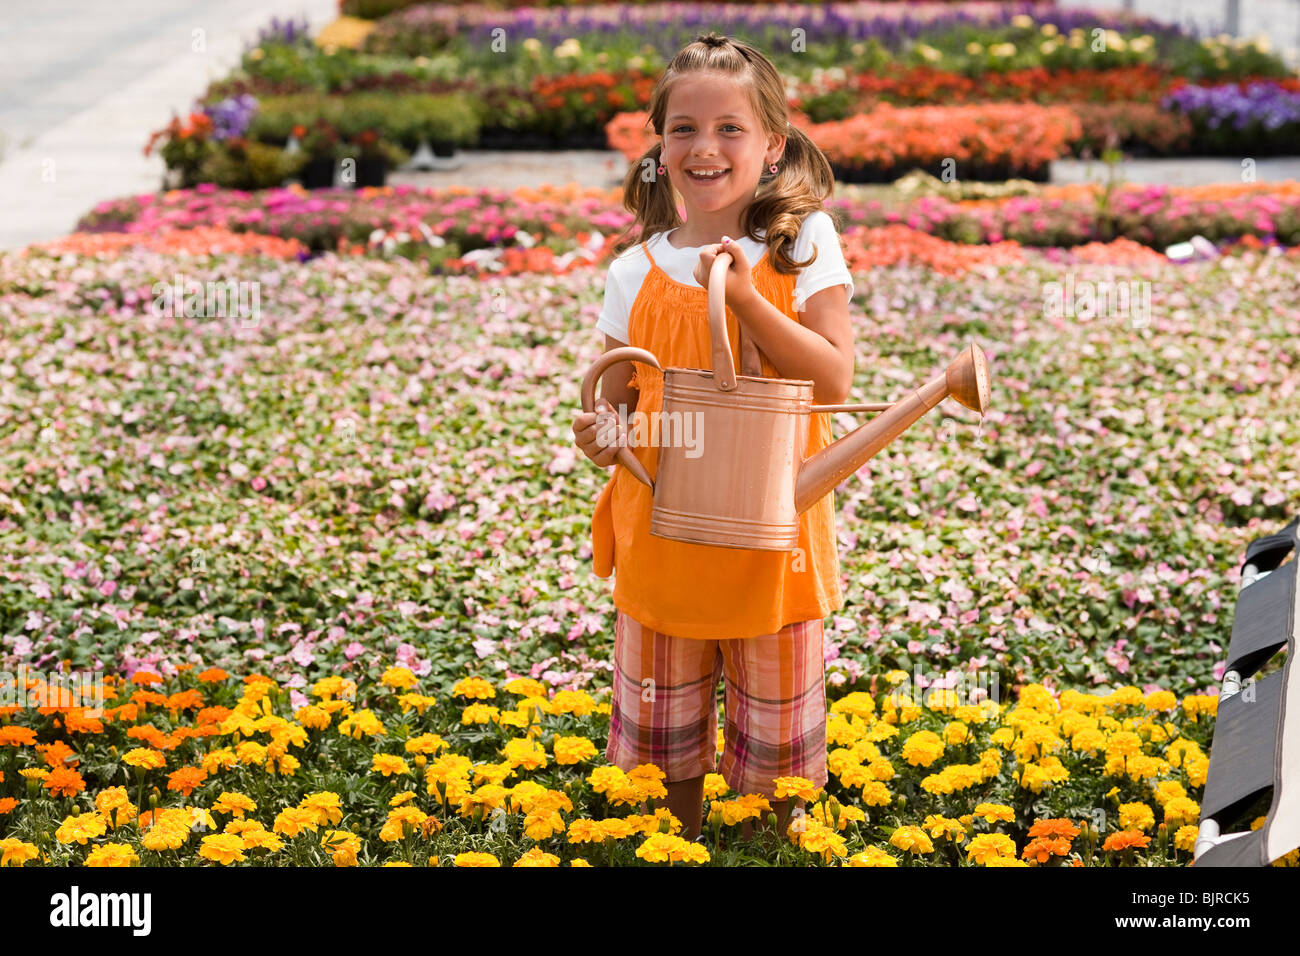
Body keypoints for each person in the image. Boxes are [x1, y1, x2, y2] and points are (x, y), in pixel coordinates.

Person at [571, 32, 856, 843]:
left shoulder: (802, 245)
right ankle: (677, 850)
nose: (705, 146)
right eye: (684, 128)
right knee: (665, 769)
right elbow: (613, 400)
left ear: (773, 145)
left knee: (777, 773)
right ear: (659, 147)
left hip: (776, 551)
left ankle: (764, 855)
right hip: (662, 543)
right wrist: (599, 432)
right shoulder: (635, 270)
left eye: (731, 128)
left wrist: (743, 297)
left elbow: (834, 381)